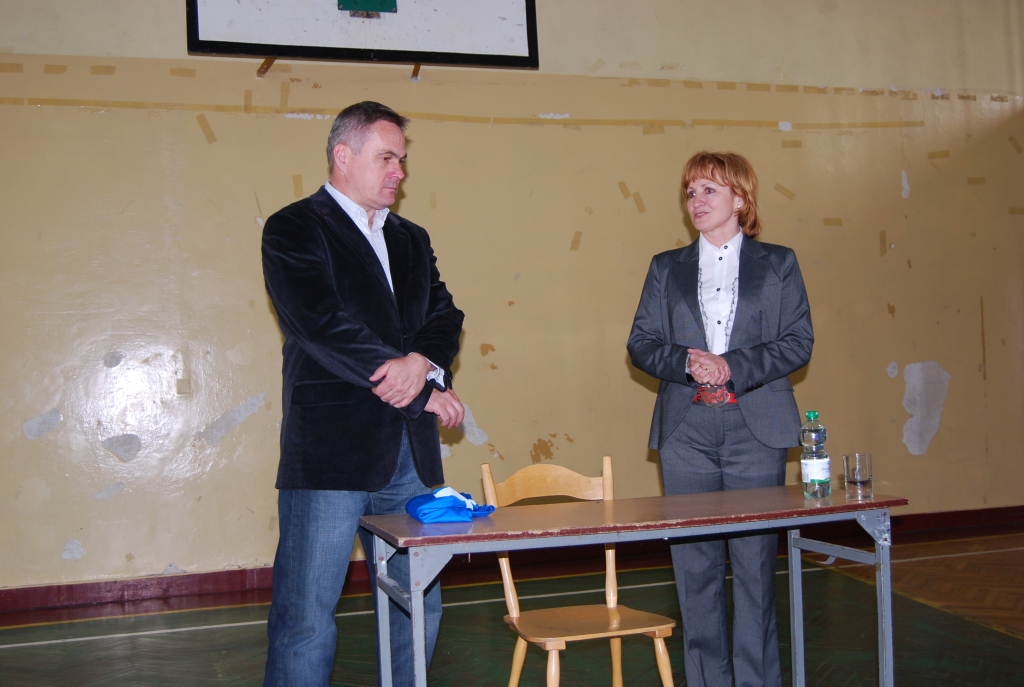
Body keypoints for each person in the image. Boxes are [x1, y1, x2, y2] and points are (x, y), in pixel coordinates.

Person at [261, 101, 465, 687]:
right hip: (331, 456)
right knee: (306, 619)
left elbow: (445, 316)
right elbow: (322, 325)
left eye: (402, 159)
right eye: (386, 158)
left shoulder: (411, 238)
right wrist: (416, 392)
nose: (399, 171)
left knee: (416, 607)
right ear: (343, 156)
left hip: (410, 458)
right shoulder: (294, 227)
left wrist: (423, 365)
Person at [627, 151, 813, 687]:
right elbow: (641, 343)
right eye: (690, 192)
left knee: (755, 571)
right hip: (686, 432)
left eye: (709, 189)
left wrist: (731, 366)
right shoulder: (666, 267)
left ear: (740, 198)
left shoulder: (778, 263)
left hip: (756, 430)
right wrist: (687, 363)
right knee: (695, 571)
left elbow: (797, 342)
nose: (697, 201)